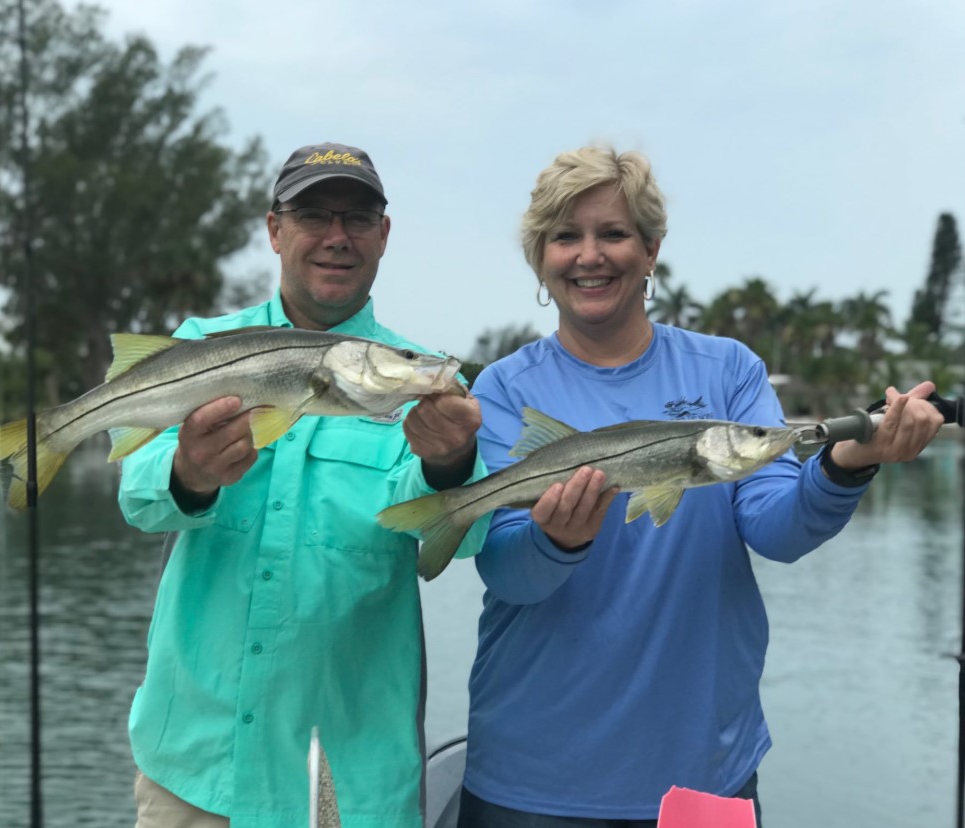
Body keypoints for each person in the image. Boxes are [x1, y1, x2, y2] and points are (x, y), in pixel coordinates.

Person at [456, 145, 945, 828]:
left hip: (703, 774)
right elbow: (507, 571)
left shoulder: (729, 371)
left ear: (652, 249)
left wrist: (846, 463)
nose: (589, 255)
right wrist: (554, 540)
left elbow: (776, 527)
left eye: (615, 233)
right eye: (566, 236)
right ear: (540, 256)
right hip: (532, 779)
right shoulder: (504, 388)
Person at [118, 142, 487, 828]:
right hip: (195, 775)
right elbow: (138, 498)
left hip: (351, 784)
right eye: (314, 214)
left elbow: (461, 541)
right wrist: (189, 474)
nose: (337, 237)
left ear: (384, 235)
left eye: (358, 217)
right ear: (274, 229)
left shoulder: (425, 382)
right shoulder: (199, 345)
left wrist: (448, 465)